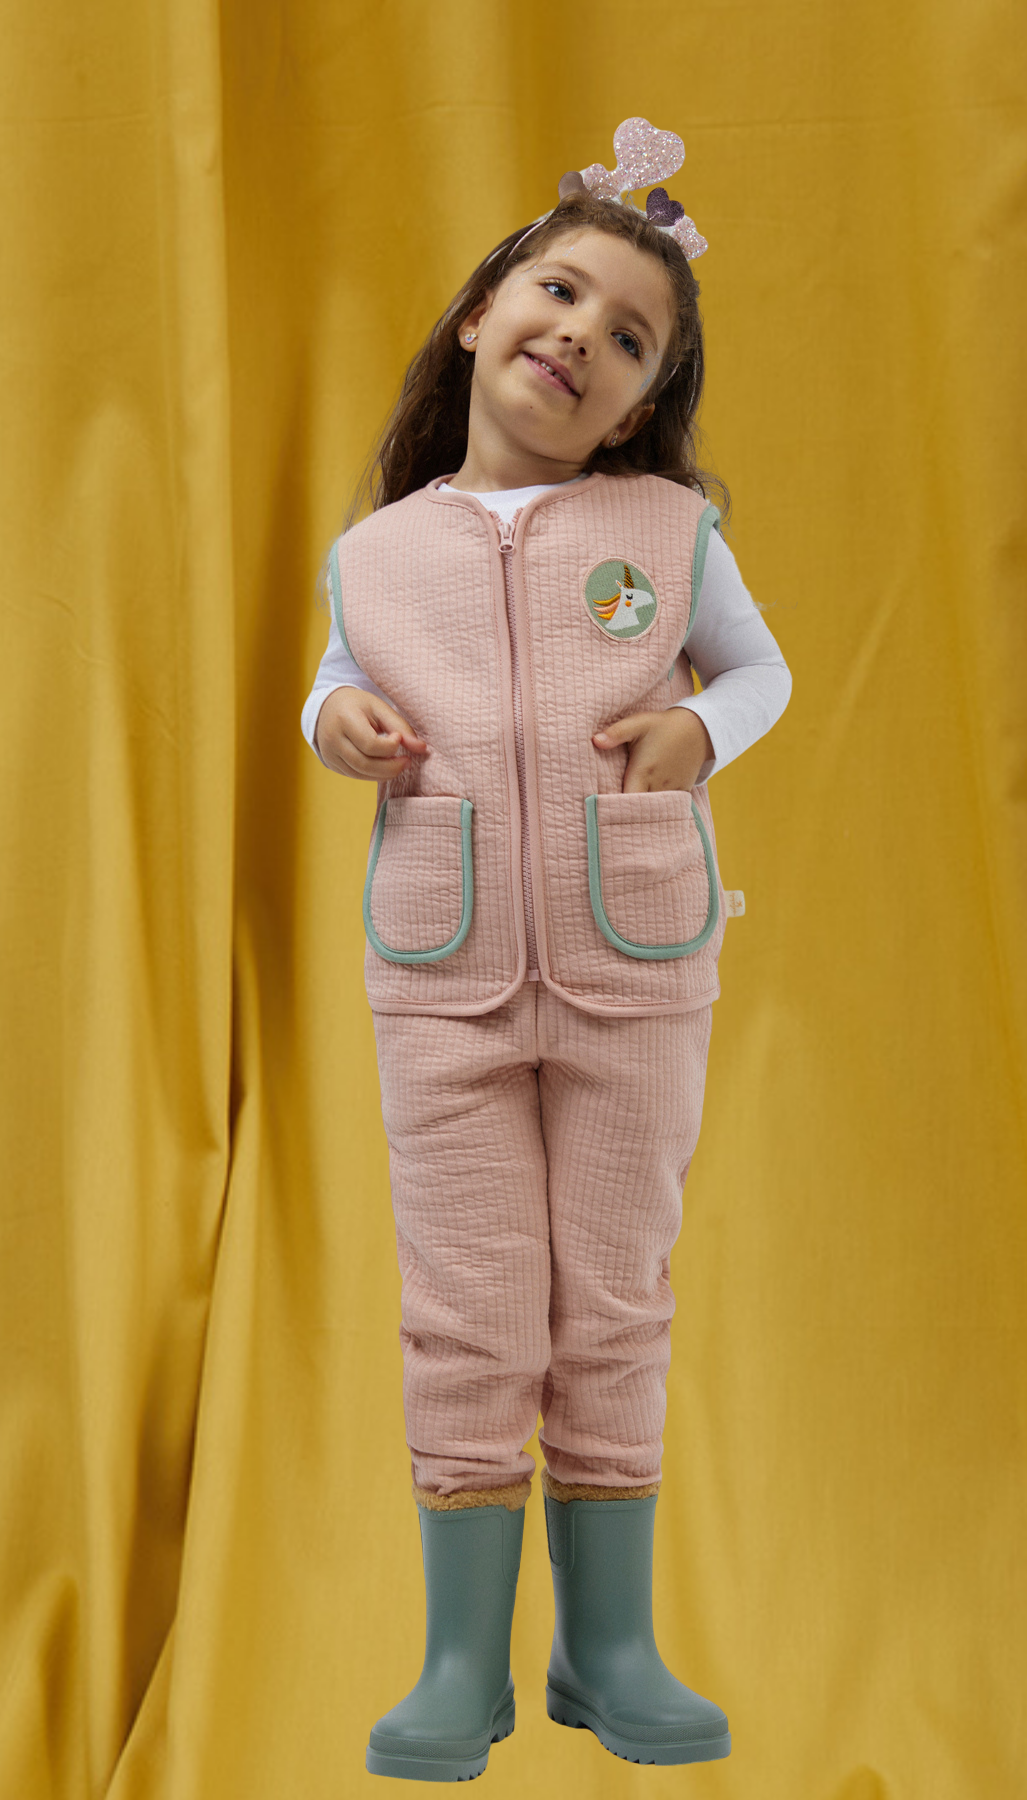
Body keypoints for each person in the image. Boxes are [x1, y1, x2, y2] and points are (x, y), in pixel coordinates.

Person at [300, 118, 791, 1781]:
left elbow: (760, 672)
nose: (583, 334)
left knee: (615, 1299)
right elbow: (335, 682)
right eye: (561, 292)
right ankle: (461, 1664)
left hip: (633, 970)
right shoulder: (377, 551)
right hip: (440, 979)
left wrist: (700, 733)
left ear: (639, 405)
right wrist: (335, 721)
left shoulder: (668, 533)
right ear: (480, 317)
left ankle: (609, 1646)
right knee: (469, 1308)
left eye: (630, 335)